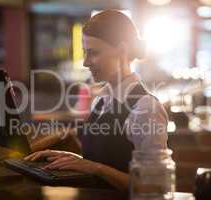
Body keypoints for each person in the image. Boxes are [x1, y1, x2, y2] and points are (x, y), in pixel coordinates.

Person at [24, 10, 168, 191]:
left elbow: (154, 187)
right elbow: (105, 159)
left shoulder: (146, 108)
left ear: (121, 50)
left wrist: (96, 168)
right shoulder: (101, 99)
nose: (85, 62)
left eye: (93, 53)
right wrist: (72, 159)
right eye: (85, 52)